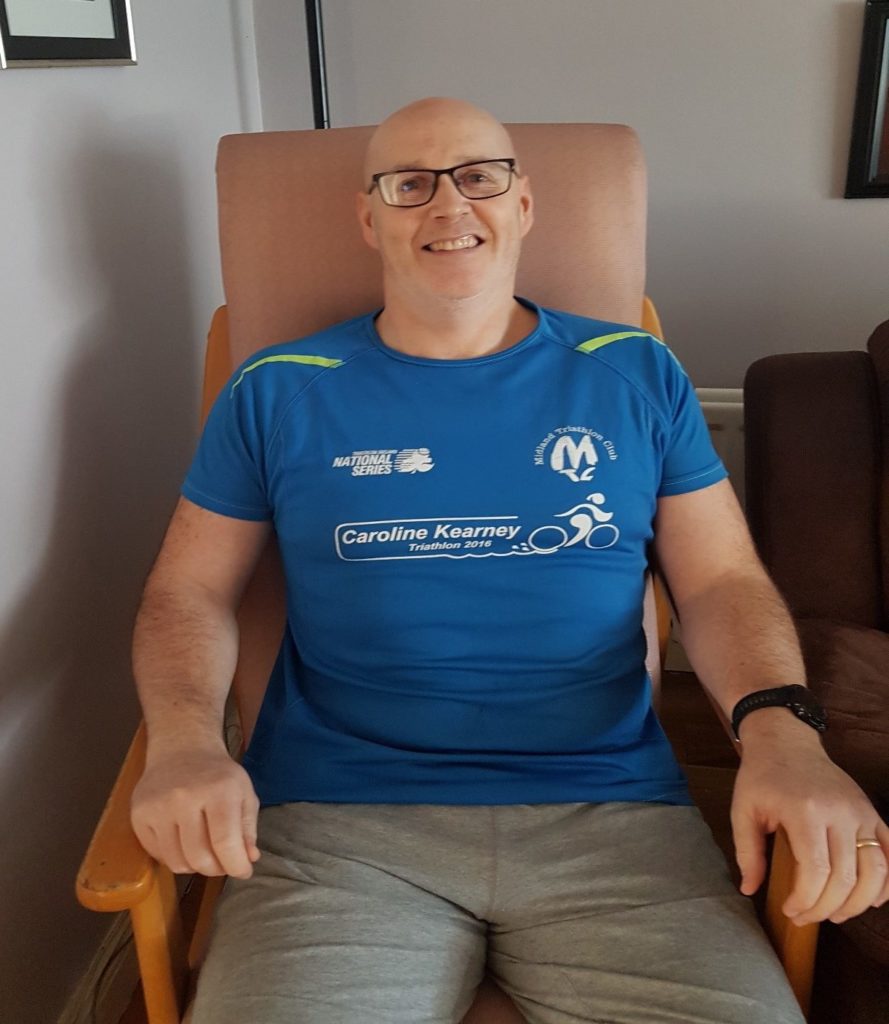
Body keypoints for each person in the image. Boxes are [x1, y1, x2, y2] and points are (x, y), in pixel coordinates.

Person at [130, 98, 888, 1024]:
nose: (448, 206)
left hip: (616, 826)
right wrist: (183, 744)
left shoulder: (636, 372)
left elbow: (721, 581)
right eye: (410, 184)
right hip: (337, 826)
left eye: (478, 177)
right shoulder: (277, 390)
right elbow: (188, 589)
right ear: (369, 219)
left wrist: (783, 736)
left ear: (521, 205)